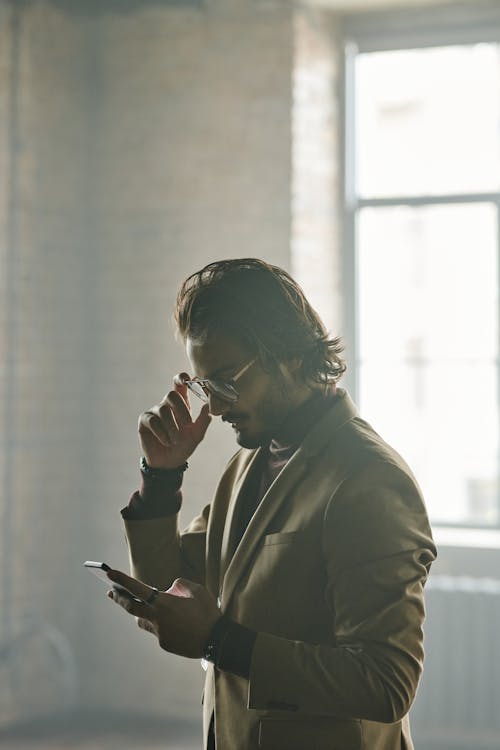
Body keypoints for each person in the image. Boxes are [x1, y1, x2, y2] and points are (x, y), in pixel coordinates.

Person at [107, 258, 436, 750]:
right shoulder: (246, 467)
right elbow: (172, 587)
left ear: (289, 355)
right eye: (205, 386)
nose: (214, 408)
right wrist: (161, 477)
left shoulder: (369, 480)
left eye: (226, 382)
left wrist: (220, 643)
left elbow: (386, 682)